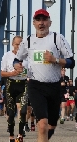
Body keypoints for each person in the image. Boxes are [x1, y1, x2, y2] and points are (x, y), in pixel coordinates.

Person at [13, 9, 75, 142]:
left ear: (50, 22)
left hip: (54, 86)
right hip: (35, 85)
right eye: (38, 20)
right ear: (34, 23)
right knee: (42, 125)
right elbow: (17, 59)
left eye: (44, 20)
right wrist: (16, 65)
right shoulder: (28, 41)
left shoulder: (57, 38)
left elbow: (71, 62)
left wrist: (55, 60)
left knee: (51, 124)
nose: (41, 23)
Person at [1, 35, 28, 142]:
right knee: (11, 113)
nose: (19, 46)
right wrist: (13, 73)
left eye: (21, 44)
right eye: (17, 44)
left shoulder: (27, 56)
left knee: (23, 111)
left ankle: (20, 134)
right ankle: (11, 135)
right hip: (11, 85)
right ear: (13, 44)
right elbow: (2, 73)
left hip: (23, 84)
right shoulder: (7, 56)